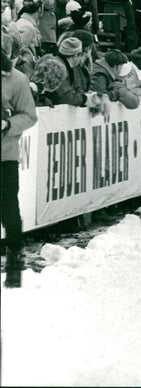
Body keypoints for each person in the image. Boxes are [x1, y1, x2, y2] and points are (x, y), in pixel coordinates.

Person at [1, 27, 38, 288]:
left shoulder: (17, 80)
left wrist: (6, 126)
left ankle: (14, 270)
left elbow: (29, 115)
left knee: (9, 210)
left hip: (5, 155)